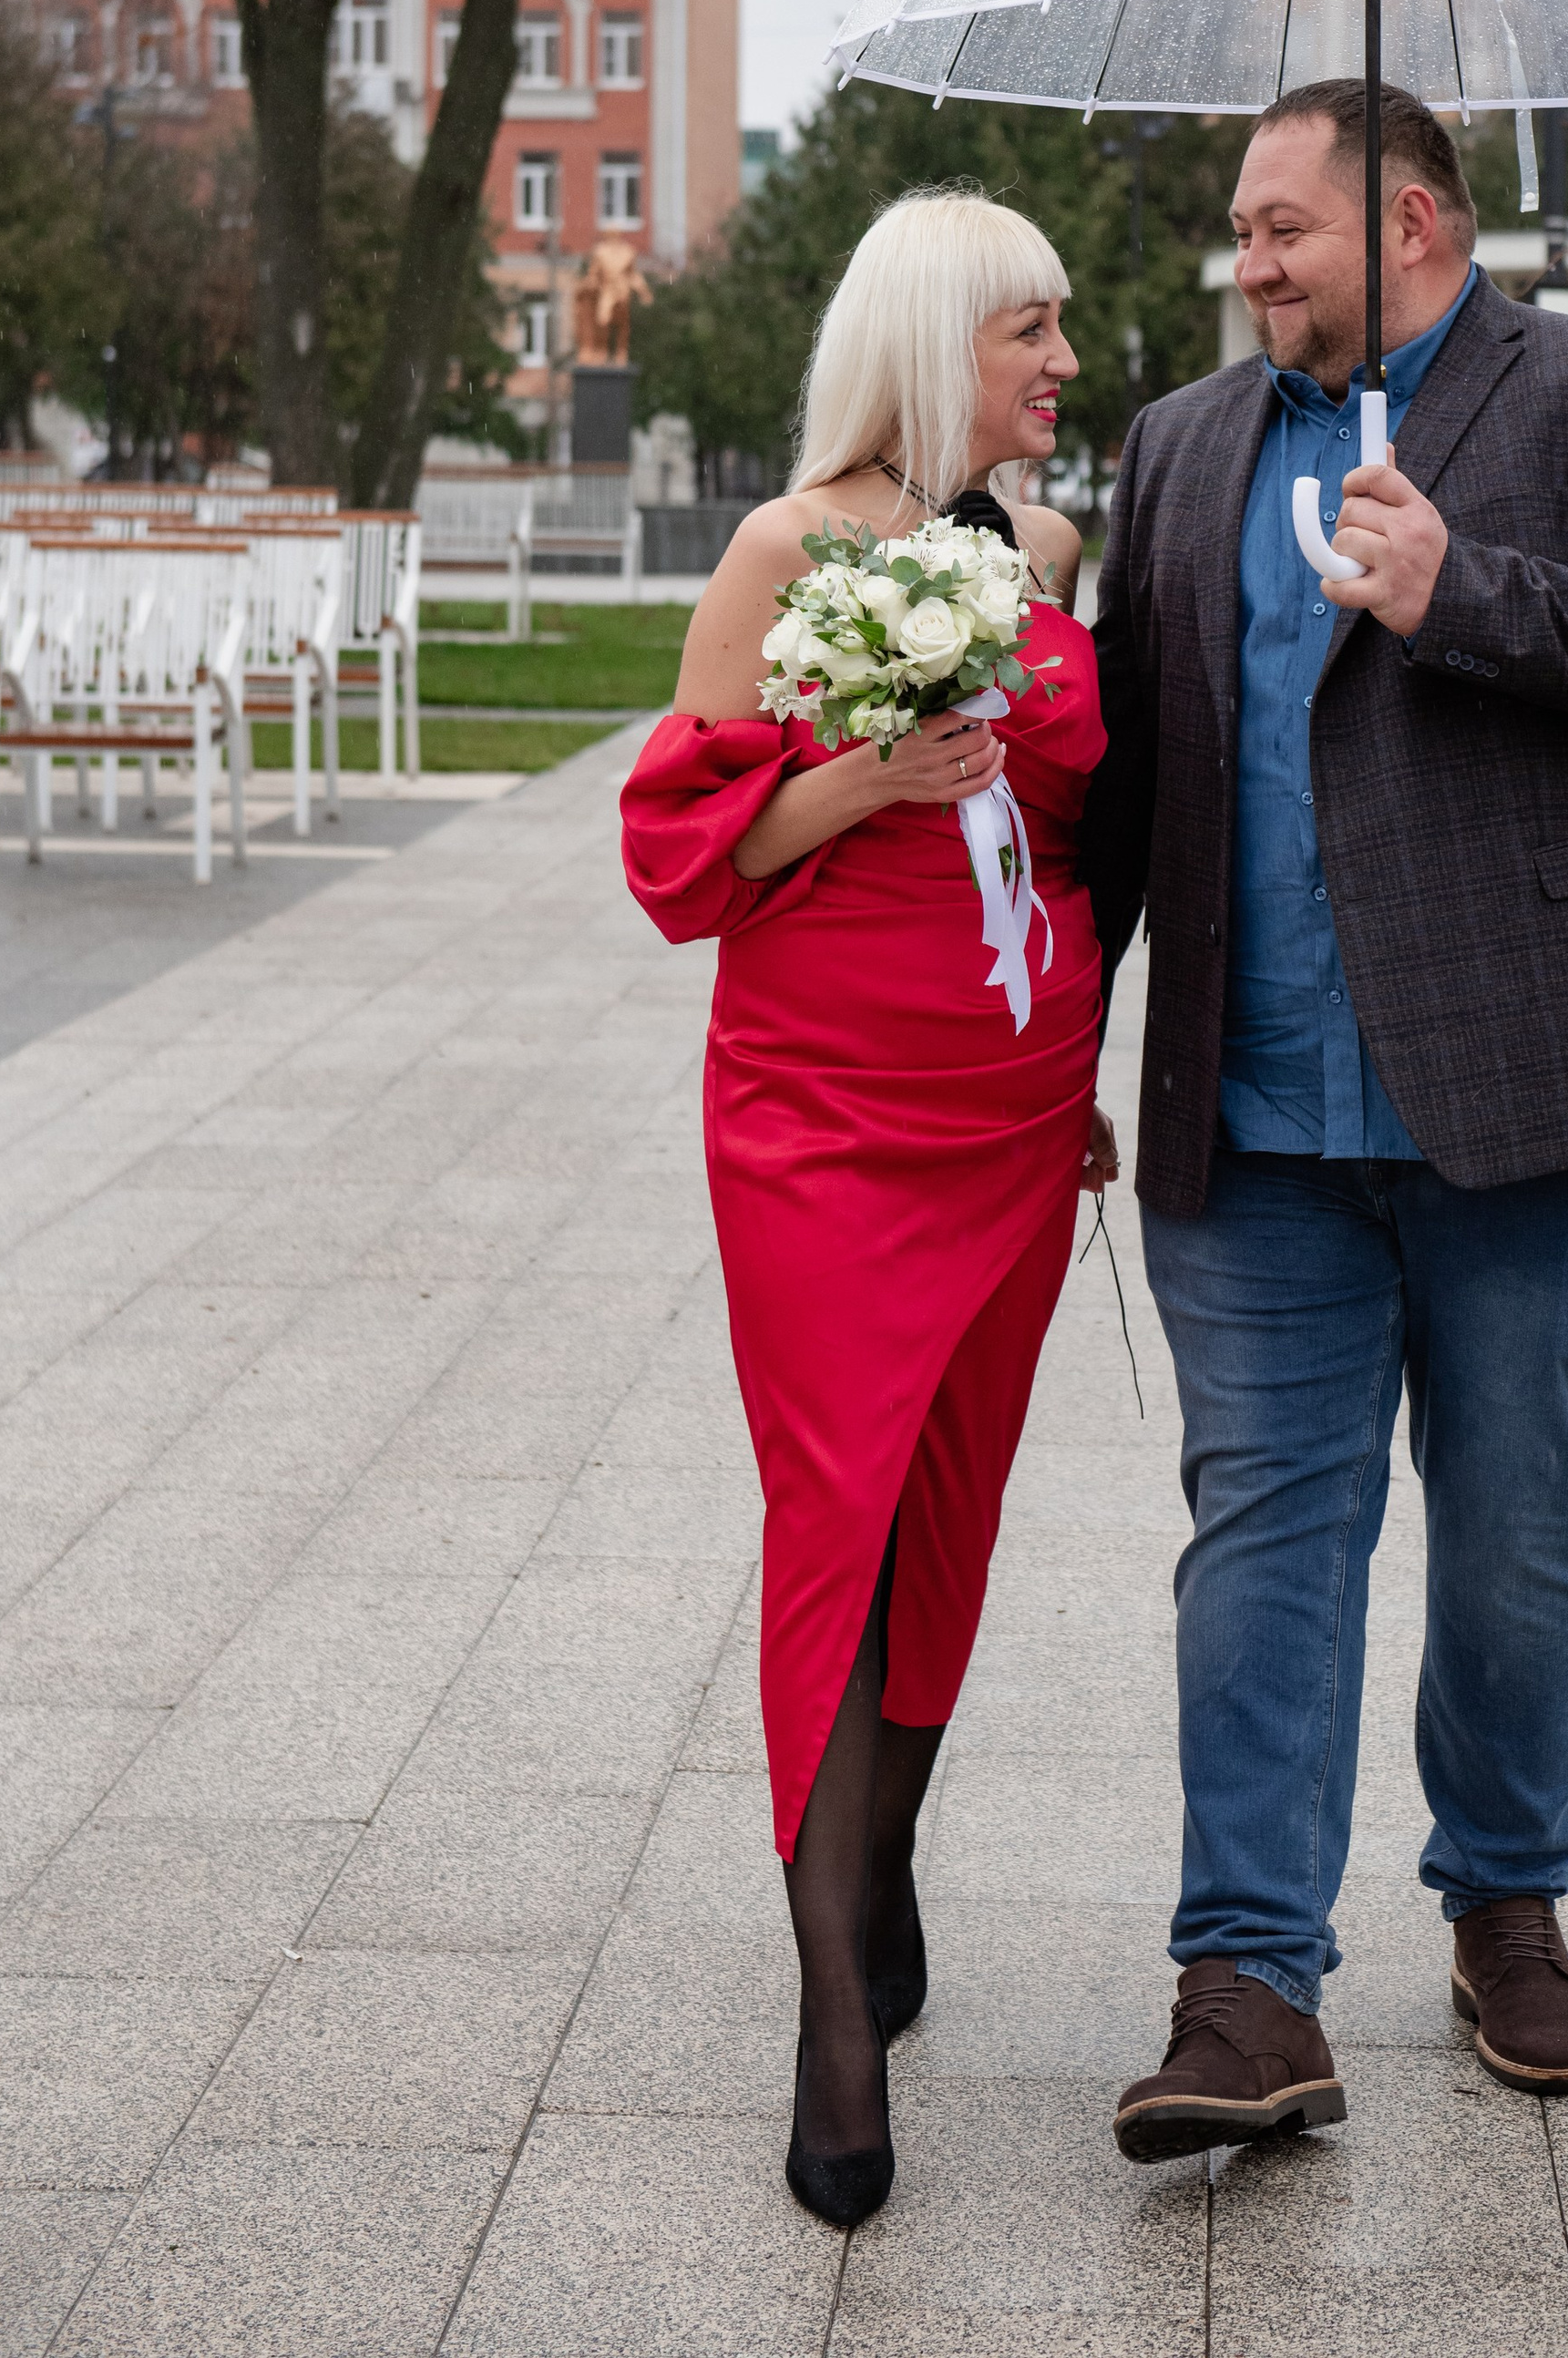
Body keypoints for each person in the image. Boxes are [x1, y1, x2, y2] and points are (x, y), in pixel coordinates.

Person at [1081, 79, 1568, 2160]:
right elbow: (1130, 776)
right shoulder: (1184, 444)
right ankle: (1243, 1984)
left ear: (1403, 219)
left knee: (1517, 1527)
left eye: (1279, 225)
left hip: (1538, 1092)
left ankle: (1504, 1897)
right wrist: (1060, 1048)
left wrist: (1458, 588)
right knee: (1264, 1536)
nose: (1247, 259)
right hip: (1260, 1110)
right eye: (1237, 225)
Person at [620, 189, 1116, 2231]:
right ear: (935, 338)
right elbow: (683, 859)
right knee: (837, 1508)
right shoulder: (780, 548)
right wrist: (866, 775)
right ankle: (833, 2006)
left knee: (952, 1505)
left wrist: (1080, 1078)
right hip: (819, 1121)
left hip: (1007, 1117)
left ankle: (884, 1847)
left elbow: (1081, 823)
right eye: (1031, 329)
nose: (1063, 364)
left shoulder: (1051, 546)